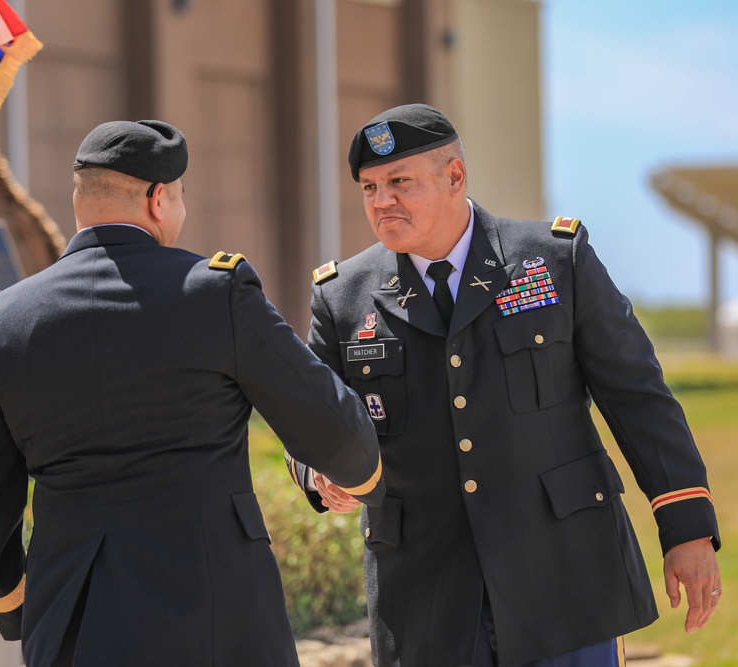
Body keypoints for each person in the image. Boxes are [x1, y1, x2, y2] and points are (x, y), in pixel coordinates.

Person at [286, 104, 721, 667]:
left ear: (455, 177)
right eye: (369, 187)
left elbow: (637, 396)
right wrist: (318, 475)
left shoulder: (554, 259)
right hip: (425, 595)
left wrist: (685, 528)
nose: (381, 200)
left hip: (564, 577)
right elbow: (310, 417)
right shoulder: (342, 295)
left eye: (399, 182)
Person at [0, 119, 385, 667]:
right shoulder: (216, 293)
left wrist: (15, 605)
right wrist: (363, 476)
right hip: (217, 613)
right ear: (157, 200)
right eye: (179, 198)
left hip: (72, 618)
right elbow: (332, 427)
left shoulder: (1, 322)